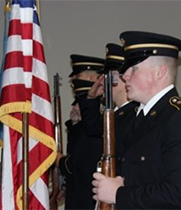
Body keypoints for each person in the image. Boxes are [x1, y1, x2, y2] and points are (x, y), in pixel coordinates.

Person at [92, 31, 181, 209]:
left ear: (160, 72)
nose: (125, 75)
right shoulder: (141, 117)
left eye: (134, 69)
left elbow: (178, 195)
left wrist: (118, 194)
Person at [56, 54, 104, 209]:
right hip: (79, 194)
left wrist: (59, 161)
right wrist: (66, 186)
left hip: (89, 199)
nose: (72, 80)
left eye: (77, 75)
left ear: (91, 78)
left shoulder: (98, 113)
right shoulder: (84, 110)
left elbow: (84, 163)